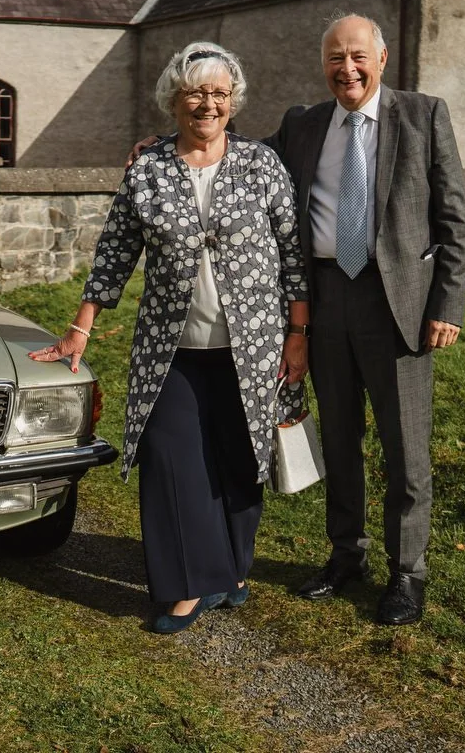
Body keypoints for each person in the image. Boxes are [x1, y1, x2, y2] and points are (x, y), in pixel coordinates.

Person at [127, 15, 465, 626]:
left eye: (358, 56)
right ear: (325, 66)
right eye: (336, 59)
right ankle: (347, 557)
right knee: (340, 440)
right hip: (324, 300)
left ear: (382, 57)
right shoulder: (302, 125)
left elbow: (454, 223)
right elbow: (228, 150)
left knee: (405, 448)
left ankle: (407, 573)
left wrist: (446, 306)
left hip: (398, 305)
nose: (348, 69)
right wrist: (162, 145)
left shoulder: (423, 116)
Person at [31, 42, 309, 635]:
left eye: (218, 93)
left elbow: (293, 255)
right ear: (173, 100)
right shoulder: (149, 166)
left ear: (233, 102)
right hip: (172, 348)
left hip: (253, 345)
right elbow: (114, 254)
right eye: (194, 92)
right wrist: (80, 329)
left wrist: (298, 334)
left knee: (240, 459)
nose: (206, 104)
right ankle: (186, 585)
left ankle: (232, 572)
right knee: (169, 456)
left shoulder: (261, 165)